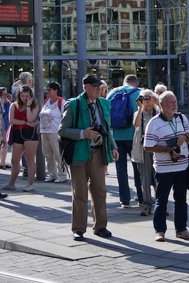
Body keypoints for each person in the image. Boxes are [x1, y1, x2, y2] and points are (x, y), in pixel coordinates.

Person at [59, 74, 117, 241]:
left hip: (98, 153)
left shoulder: (104, 103)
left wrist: (113, 146)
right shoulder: (74, 104)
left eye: (100, 85)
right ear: (85, 87)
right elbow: (62, 130)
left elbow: (107, 128)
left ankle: (101, 226)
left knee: (100, 191)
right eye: (95, 86)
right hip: (79, 153)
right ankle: (78, 228)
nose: (99, 88)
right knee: (80, 192)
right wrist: (83, 134)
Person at [144, 91, 189, 242]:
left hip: (182, 167)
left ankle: (181, 229)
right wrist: (168, 150)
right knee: (162, 200)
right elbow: (148, 146)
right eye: (171, 102)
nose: (175, 105)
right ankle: (159, 231)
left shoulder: (181, 118)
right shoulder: (154, 123)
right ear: (161, 105)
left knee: (181, 200)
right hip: (164, 168)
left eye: (175, 102)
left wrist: (184, 136)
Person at [108, 75, 142, 209]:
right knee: (138, 167)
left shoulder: (112, 93)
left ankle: (124, 200)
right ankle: (141, 197)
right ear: (135, 82)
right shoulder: (139, 93)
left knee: (120, 168)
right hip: (134, 136)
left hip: (117, 137)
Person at [2, 86, 40, 193]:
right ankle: (11, 183)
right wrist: (25, 123)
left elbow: (31, 118)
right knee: (15, 160)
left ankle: (30, 184)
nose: (24, 98)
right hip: (18, 132)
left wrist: (28, 106)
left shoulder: (34, 106)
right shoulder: (14, 105)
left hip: (30, 134)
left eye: (27, 96)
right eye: (22, 96)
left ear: (31, 96)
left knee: (30, 159)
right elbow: (11, 120)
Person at [132, 89, 159, 216]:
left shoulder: (158, 112)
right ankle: (147, 204)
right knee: (145, 179)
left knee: (159, 177)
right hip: (143, 149)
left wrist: (158, 103)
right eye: (144, 98)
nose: (146, 101)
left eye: (149, 98)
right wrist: (140, 109)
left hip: (158, 149)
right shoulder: (139, 113)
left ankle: (160, 204)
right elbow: (136, 124)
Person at [39, 82, 68, 183]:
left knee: (58, 154)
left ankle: (62, 175)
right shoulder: (46, 101)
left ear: (56, 90)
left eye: (49, 89)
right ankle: (52, 174)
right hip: (44, 131)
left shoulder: (61, 102)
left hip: (55, 131)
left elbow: (65, 117)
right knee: (47, 154)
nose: (47, 91)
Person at [0, 87, 12, 170]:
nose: (5, 96)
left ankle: (3, 162)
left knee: (5, 145)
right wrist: (1, 101)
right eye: (3, 94)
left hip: (6, 126)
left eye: (6, 94)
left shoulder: (8, 103)